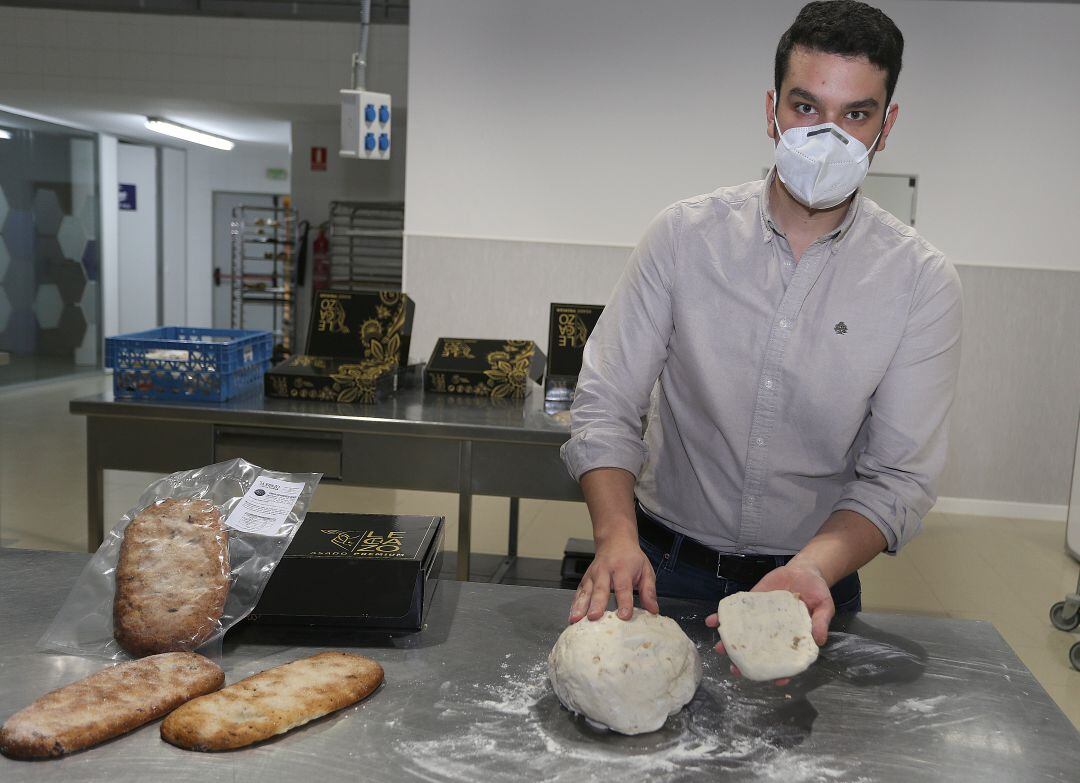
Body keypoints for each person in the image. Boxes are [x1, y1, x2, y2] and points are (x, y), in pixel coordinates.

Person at [560, 0, 963, 656]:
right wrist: (615, 537)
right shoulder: (683, 239)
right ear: (771, 109)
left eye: (854, 114)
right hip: (665, 569)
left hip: (813, 583)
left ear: (885, 127)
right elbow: (605, 406)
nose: (826, 136)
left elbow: (898, 477)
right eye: (806, 107)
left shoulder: (921, 282)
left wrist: (812, 568)